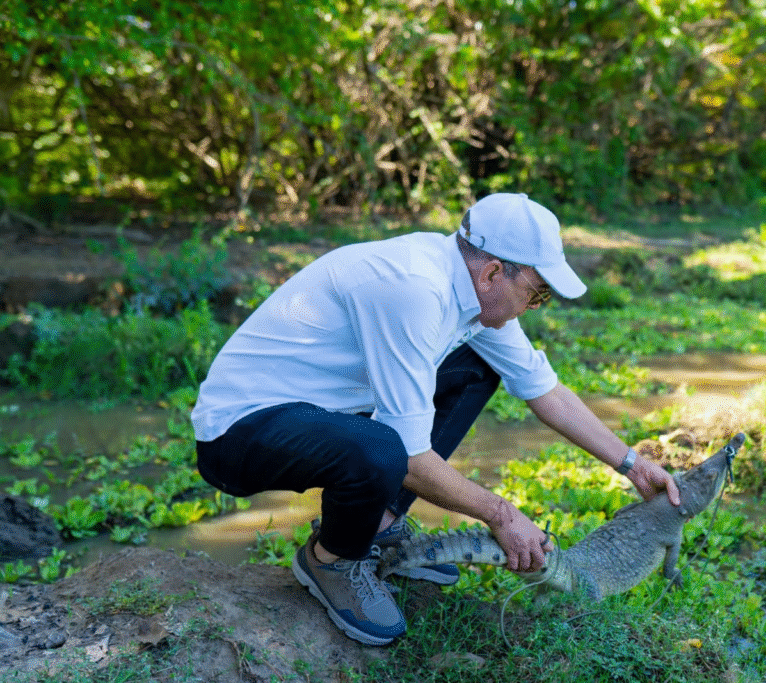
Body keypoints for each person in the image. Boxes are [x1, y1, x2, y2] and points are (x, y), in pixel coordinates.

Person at [191, 193, 682, 646]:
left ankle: (379, 525)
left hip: (319, 413)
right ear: (493, 273)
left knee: (475, 370)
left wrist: (634, 466)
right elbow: (408, 457)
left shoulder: (471, 294)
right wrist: (503, 516)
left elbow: (543, 389)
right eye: (537, 293)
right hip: (240, 434)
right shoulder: (412, 290)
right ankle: (330, 560)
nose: (534, 307)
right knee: (386, 449)